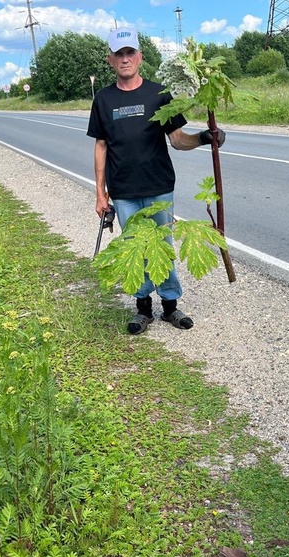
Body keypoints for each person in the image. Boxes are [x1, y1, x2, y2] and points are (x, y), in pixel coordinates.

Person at [87, 26, 226, 335]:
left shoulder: (159, 94)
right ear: (110, 60)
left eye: (130, 53)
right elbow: (101, 146)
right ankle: (142, 309)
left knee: (162, 246)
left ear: (140, 56)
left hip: (158, 185)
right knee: (134, 248)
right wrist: (100, 194)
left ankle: (170, 307)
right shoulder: (104, 100)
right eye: (119, 54)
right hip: (123, 191)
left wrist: (205, 137)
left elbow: (177, 140)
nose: (125, 59)